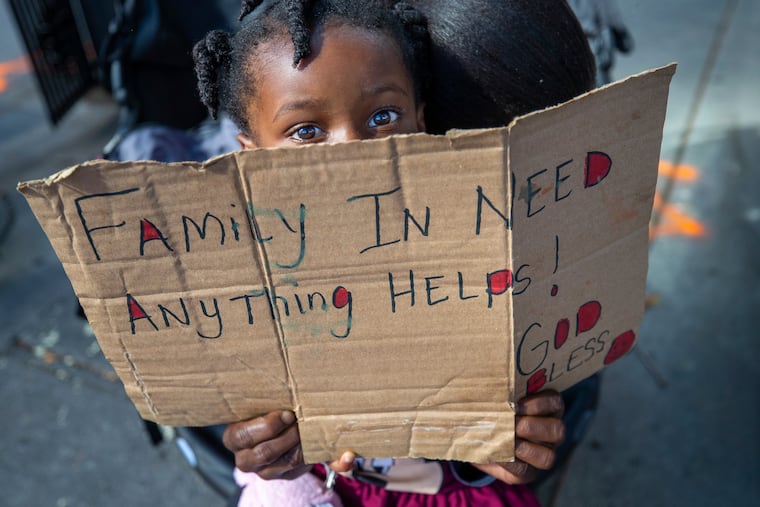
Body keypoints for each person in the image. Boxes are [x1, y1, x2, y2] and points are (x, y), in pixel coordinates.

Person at [192, 0, 593, 505]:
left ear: (421, 122)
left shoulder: (472, 248)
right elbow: (251, 406)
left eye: (381, 116)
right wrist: (261, 444)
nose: (352, 151)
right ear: (248, 152)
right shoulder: (247, 270)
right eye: (307, 132)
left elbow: (515, 429)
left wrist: (517, 441)